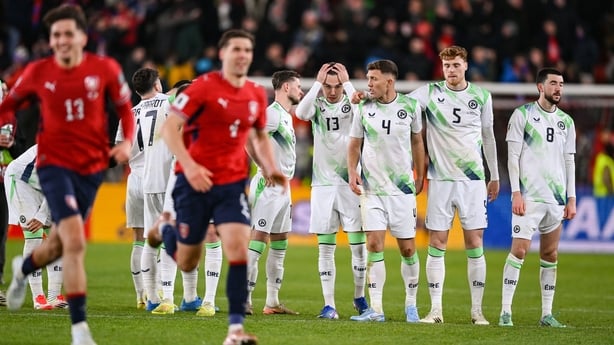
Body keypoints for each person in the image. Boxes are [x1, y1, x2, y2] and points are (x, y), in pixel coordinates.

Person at [0, 4, 134, 345]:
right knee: (74, 242)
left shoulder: (105, 68)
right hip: (54, 165)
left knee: (60, 244)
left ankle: (22, 270)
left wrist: (126, 142)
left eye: (67, 34)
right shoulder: (37, 72)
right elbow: (7, 106)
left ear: (82, 37)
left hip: (89, 170)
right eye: (55, 34)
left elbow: (123, 109)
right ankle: (80, 331)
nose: (61, 40)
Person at [148, 29, 286, 345]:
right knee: (188, 261)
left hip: (231, 184)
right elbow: (169, 130)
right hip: (193, 180)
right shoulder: (201, 89)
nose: (242, 55)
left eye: (248, 50)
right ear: (222, 53)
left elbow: (259, 135)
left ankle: (235, 330)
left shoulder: (254, 93)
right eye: (236, 49)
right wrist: (192, 165)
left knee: (237, 248)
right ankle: (164, 229)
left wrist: (269, 167)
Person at [408, 45, 499, 325]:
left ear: (466, 66)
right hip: (440, 179)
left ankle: (477, 311)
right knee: (437, 242)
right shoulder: (429, 92)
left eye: (456, 65)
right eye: (447, 66)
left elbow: (488, 137)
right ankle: (435, 311)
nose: (451, 71)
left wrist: (493, 175)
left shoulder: (482, 96)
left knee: (474, 242)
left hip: (472, 181)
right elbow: (400, 104)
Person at [347, 59, 425, 323]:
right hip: (372, 189)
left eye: (373, 79)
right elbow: (354, 143)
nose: (368, 84)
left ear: (389, 81)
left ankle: (411, 306)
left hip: (402, 190)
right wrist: (352, 171)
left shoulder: (411, 106)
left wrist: (421, 173)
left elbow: (417, 141)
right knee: (373, 244)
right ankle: (377, 310)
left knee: (407, 249)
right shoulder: (363, 108)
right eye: (367, 78)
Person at [499, 67, 576, 327]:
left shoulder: (567, 121)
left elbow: (569, 161)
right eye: (554, 83)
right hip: (529, 197)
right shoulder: (523, 115)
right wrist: (516, 193)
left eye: (561, 84)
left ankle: (546, 314)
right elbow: (512, 157)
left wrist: (571, 197)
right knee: (519, 251)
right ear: (540, 87)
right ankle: (505, 311)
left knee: (551, 254)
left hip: (555, 199)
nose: (559, 88)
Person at [294, 62, 369, 319]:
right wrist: (316, 84)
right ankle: (329, 305)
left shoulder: (352, 101)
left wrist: (348, 83)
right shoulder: (316, 104)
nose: (333, 91)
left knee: (358, 247)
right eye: (328, 86)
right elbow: (301, 114)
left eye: (337, 86)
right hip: (323, 185)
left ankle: (360, 297)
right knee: (325, 247)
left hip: (352, 182)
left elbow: (363, 108)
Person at [246, 70, 302, 316]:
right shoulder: (271, 114)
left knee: (280, 243)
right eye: (298, 86)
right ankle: (243, 299)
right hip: (267, 186)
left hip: (284, 186)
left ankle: (272, 302)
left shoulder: (286, 116)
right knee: (258, 240)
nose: (301, 91)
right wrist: (265, 167)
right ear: (287, 88)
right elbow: (249, 138)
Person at [4, 144, 67, 310]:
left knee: (58, 238)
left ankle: (54, 295)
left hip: (40, 185)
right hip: (20, 182)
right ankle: (38, 297)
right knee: (35, 236)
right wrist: (41, 216)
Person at [115, 85, 146, 310]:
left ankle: (140, 295)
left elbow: (121, 154)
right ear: (156, 85)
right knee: (160, 237)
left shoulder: (129, 114)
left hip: (134, 178)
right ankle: (160, 292)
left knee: (138, 238)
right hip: (156, 178)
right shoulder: (165, 104)